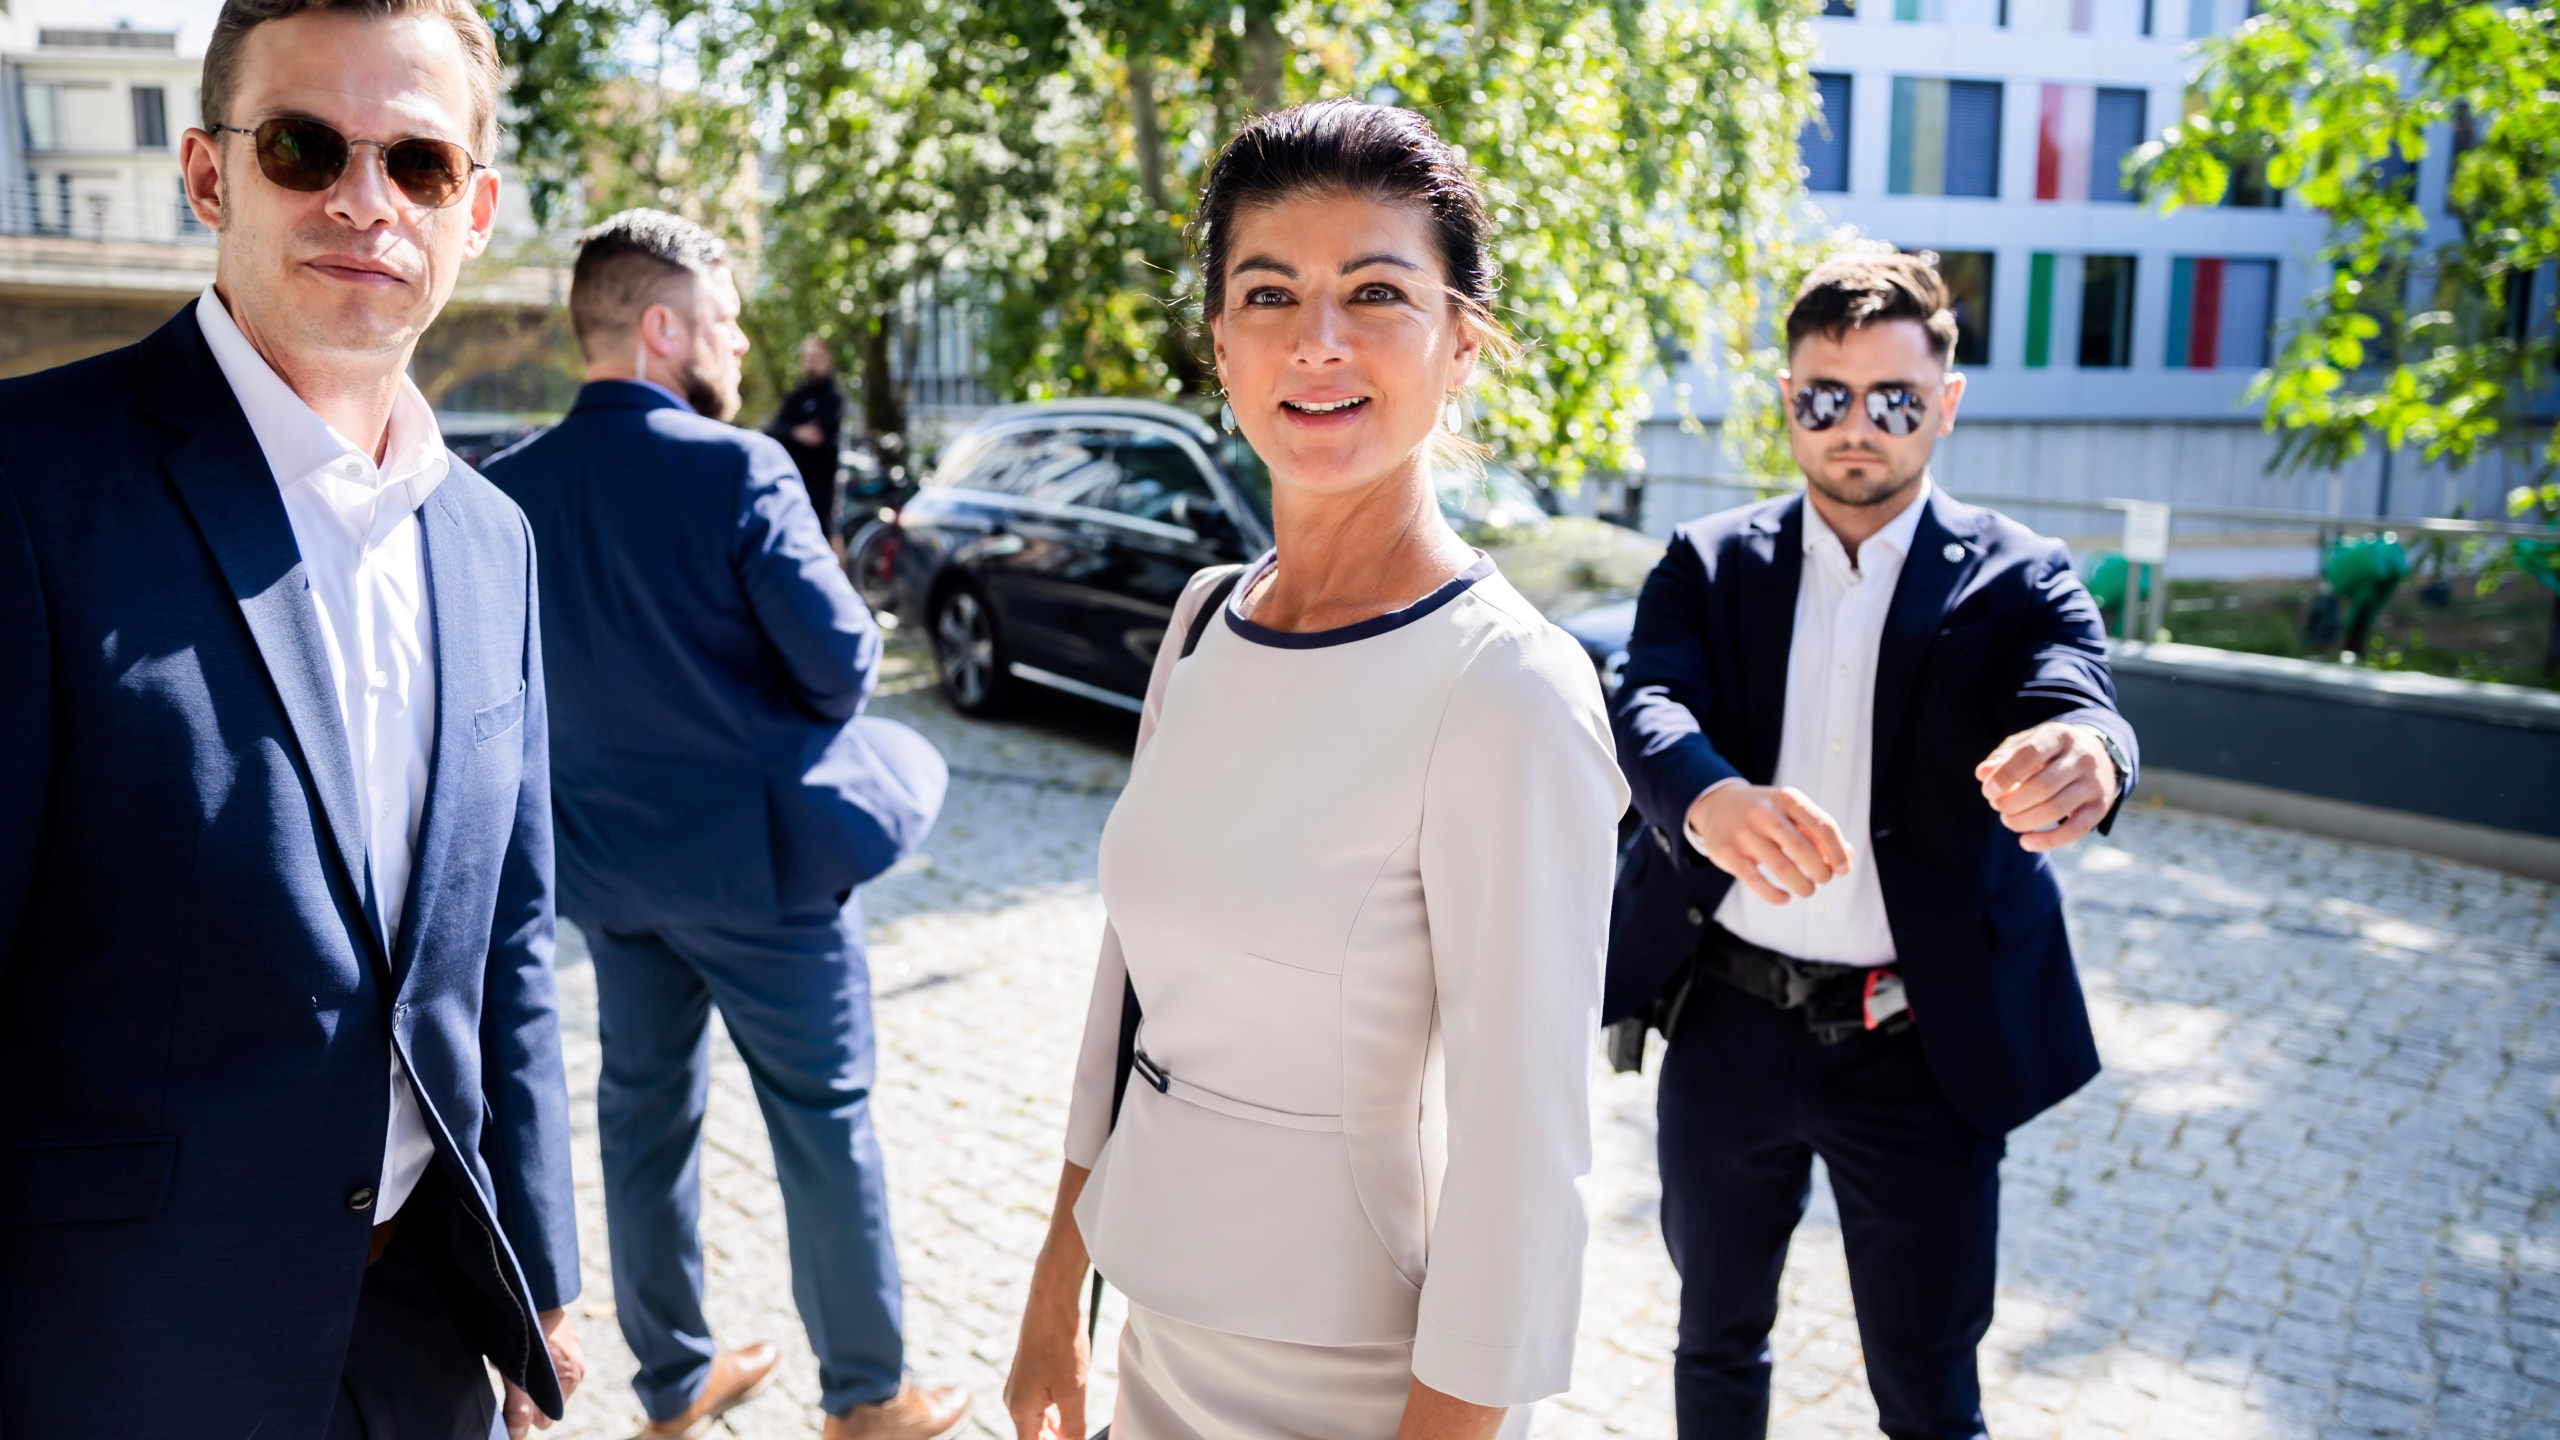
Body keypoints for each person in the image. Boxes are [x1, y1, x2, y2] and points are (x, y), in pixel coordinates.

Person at [0, 0, 584, 1435]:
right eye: (303, 145)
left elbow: (503, 932)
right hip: (117, 1351)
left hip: (421, 1336)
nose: (363, 202)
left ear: (477, 208)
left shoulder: (492, 537)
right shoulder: (26, 483)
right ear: (210, 176)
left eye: (420, 164)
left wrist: (540, 1277)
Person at [1003, 100, 1629, 1440]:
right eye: (1270, 292)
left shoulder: (1504, 688)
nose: (1318, 339)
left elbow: (1524, 1166)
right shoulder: (1203, 619)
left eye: (1379, 292)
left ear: (1462, 342)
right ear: (1220, 341)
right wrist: (1059, 1282)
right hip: (1152, 1337)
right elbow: (1129, 996)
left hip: (1352, 1389)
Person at [1606, 253, 2140, 1439]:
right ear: (1787, 398)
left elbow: (2077, 691)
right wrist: (1707, 800)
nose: (1857, 427)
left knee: (1928, 1388)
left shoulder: (2020, 574)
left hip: (1919, 1044)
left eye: (1893, 400)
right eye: (1824, 397)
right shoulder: (1706, 559)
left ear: (1944, 403)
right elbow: (1646, 703)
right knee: (1714, 1341)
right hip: (1727, 1028)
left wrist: (2088, 757)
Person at [485, 209, 963, 1440]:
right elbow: (841, 670)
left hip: (607, 877)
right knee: (823, 1122)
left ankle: (675, 1379)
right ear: (662, 328)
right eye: (725, 317)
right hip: (760, 877)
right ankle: (867, 1398)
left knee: (640, 1127)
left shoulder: (501, 494)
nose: (740, 341)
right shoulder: (740, 467)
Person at [770, 335, 847, 540]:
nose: (811, 363)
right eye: (807, 357)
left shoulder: (832, 397)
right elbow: (775, 428)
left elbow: (816, 435)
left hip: (821, 485)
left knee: (824, 533)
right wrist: (796, 431)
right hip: (794, 480)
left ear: (828, 359)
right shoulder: (797, 396)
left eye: (817, 357)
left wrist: (792, 431)